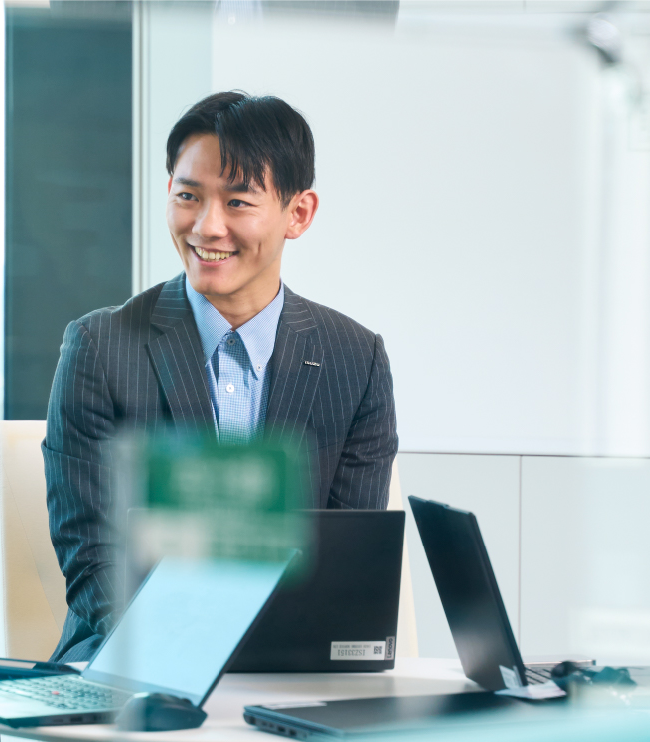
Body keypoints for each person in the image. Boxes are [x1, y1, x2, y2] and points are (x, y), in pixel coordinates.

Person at [43, 91, 398, 662]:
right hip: (133, 658)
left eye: (237, 202)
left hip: (291, 663)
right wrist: (197, 663)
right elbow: (94, 562)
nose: (207, 227)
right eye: (188, 196)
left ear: (298, 213)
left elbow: (345, 563)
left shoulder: (356, 361)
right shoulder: (99, 347)